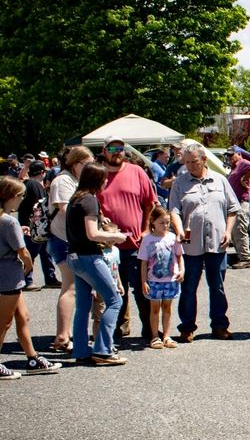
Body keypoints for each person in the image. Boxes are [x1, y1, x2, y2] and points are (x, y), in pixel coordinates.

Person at [0, 177, 62, 379]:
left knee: (23, 317)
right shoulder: (9, 221)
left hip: (2, 271)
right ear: (13, 197)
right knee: (4, 322)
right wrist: (28, 266)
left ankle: (33, 358)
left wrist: (20, 232)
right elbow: (23, 252)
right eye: (21, 196)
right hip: (9, 274)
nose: (22, 200)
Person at [168, 143, 239, 342]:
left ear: (204, 160)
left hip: (217, 242)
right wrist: (179, 228)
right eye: (187, 162)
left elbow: (232, 209)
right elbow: (173, 210)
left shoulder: (220, 181)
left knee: (217, 286)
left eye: (194, 162)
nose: (190, 166)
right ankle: (187, 327)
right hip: (191, 245)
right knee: (189, 287)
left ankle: (219, 326)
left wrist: (228, 231)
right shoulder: (180, 183)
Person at [67, 161, 130, 366]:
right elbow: (92, 233)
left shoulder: (75, 199)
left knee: (83, 306)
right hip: (89, 258)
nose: (106, 182)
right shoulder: (90, 201)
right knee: (115, 300)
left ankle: (81, 350)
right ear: (96, 180)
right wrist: (117, 237)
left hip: (75, 257)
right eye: (104, 179)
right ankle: (103, 350)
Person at [97, 137, 157, 344]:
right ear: (104, 151)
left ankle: (151, 330)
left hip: (135, 243)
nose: (117, 152)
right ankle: (118, 329)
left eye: (121, 149)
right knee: (114, 290)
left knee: (142, 289)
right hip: (107, 245)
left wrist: (145, 229)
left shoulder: (136, 171)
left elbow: (150, 203)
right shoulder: (98, 174)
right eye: (112, 149)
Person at [47, 146, 94, 354]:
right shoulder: (63, 181)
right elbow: (68, 210)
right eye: (87, 164)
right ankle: (62, 336)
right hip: (63, 239)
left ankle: (68, 334)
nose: (90, 168)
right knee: (71, 286)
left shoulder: (77, 181)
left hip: (75, 240)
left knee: (77, 287)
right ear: (76, 163)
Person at [138, 205, 184, 349]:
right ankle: (154, 336)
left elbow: (179, 256)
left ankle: (166, 335)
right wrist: (144, 281)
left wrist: (182, 270)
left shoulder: (172, 238)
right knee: (155, 309)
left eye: (167, 222)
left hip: (171, 279)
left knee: (167, 308)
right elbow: (144, 263)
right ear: (153, 222)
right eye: (162, 222)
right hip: (154, 280)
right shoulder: (147, 239)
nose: (165, 225)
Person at [18, 161, 58, 290]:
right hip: (35, 227)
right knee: (31, 254)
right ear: (42, 172)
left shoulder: (27, 184)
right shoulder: (35, 185)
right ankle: (26, 280)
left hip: (33, 225)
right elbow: (40, 207)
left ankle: (50, 278)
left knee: (46, 253)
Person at [224, 146, 250, 268]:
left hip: (241, 202)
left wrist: (245, 178)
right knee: (235, 232)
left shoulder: (242, 163)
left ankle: (245, 259)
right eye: (228, 156)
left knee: (239, 231)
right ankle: (241, 257)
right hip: (235, 203)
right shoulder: (234, 167)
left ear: (238, 154)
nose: (229, 158)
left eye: (231, 155)